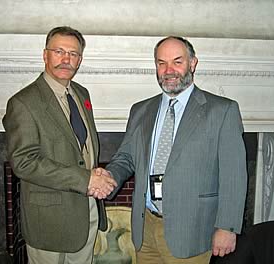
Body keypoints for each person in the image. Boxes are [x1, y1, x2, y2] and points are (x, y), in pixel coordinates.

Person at [97, 36, 248, 263]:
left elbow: (234, 175)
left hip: (192, 231)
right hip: (145, 228)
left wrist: (227, 227)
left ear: (192, 63)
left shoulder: (222, 111)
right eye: (161, 63)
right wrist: (109, 176)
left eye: (177, 61)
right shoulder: (140, 110)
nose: (169, 70)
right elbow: (126, 157)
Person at [2, 26, 117, 264]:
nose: (66, 59)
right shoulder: (23, 102)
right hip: (49, 221)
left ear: (80, 60)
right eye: (59, 51)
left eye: (73, 54)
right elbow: (24, 162)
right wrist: (85, 179)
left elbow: (81, 149)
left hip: (87, 211)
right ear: (45, 55)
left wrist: (95, 175)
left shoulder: (81, 93)